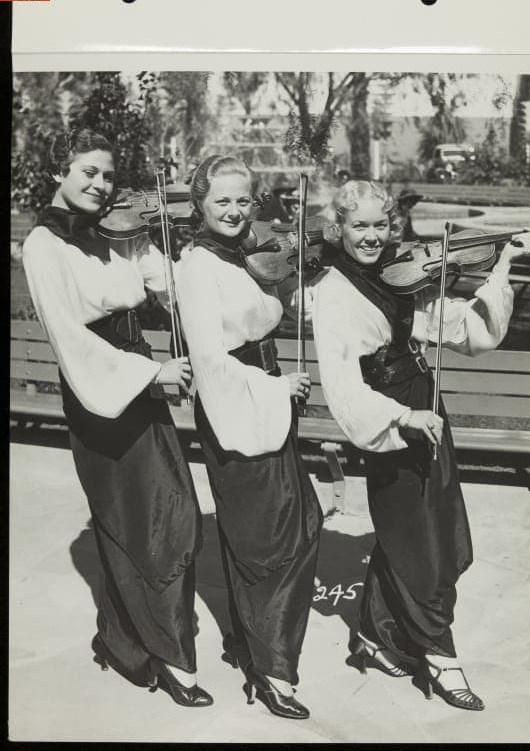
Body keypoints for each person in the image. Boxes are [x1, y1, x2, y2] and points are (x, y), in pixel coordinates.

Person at [310, 179, 530, 712]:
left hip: (428, 410)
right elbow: (343, 387)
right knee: (422, 544)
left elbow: (464, 331)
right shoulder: (334, 292)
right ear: (338, 228)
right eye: (358, 225)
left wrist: (503, 263)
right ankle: (439, 654)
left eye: (379, 225)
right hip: (393, 420)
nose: (371, 236)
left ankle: (373, 636)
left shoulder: (402, 276)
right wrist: (402, 417)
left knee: (429, 531)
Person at [22, 127, 212, 708]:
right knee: (135, 521)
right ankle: (160, 654)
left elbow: (171, 286)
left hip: (140, 377)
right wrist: (151, 375)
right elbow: (69, 339)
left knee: (169, 515)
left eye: (108, 175)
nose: (102, 185)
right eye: (89, 172)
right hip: (101, 391)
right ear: (61, 169)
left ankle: (129, 641)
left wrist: (182, 253)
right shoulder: (42, 245)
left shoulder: (117, 234)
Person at [175, 155, 323, 720]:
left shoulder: (247, 255)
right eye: (223, 201)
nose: (235, 211)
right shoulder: (196, 265)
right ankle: (272, 672)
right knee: (272, 539)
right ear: (200, 204)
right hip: (237, 402)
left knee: (293, 524)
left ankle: (251, 643)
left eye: (243, 200)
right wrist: (275, 386)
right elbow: (209, 360)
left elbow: (267, 316)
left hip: (267, 396)